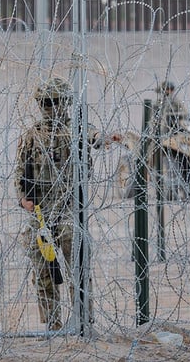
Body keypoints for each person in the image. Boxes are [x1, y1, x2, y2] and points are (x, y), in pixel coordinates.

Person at [14, 77, 121, 331]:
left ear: (65, 103)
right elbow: (19, 171)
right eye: (46, 102)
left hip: (69, 211)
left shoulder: (75, 130)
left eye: (55, 102)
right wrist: (23, 198)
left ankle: (83, 321)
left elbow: (94, 136)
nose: (50, 107)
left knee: (78, 270)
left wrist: (105, 138)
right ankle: (53, 324)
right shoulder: (32, 135)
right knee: (43, 272)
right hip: (41, 212)